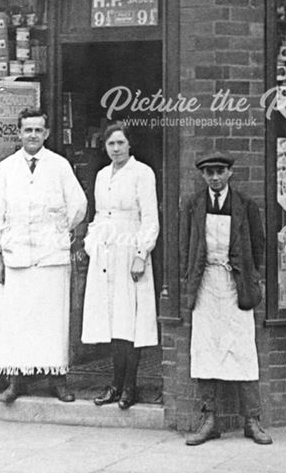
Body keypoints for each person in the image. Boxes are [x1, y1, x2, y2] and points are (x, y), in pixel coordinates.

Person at [0, 108, 87, 404]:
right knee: (17, 321)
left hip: (50, 257)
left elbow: (79, 203)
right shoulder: (6, 168)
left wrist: (60, 228)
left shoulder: (59, 165)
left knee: (51, 320)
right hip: (16, 256)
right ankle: (16, 381)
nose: (32, 135)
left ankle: (58, 380)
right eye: (27, 130)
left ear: (46, 133)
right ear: (19, 133)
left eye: (38, 130)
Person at [180, 150, 273, 446]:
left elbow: (258, 247)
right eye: (210, 173)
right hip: (206, 283)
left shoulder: (246, 206)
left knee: (243, 349)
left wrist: (249, 277)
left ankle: (252, 420)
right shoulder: (194, 205)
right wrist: (190, 279)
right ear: (203, 176)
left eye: (220, 171)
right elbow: (185, 247)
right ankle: (208, 420)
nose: (215, 177)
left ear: (230, 173)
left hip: (236, 286)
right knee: (205, 349)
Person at [81, 122, 159, 410]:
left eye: (120, 143)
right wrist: (92, 244)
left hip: (130, 251)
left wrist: (141, 253)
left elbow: (150, 218)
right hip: (105, 252)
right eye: (111, 144)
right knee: (112, 321)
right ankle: (114, 384)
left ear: (130, 145)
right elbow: (99, 214)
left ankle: (130, 386)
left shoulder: (142, 174)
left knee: (130, 321)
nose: (116, 149)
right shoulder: (102, 176)